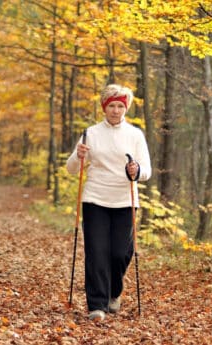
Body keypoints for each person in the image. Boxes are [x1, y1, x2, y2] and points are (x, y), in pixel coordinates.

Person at [66, 83, 151, 321]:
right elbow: (72, 169)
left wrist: (137, 169)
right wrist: (78, 155)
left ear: (126, 108)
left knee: (120, 253)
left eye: (120, 106)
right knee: (97, 252)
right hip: (95, 199)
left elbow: (146, 172)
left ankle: (114, 292)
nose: (116, 110)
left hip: (125, 200)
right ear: (104, 107)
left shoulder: (135, 135)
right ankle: (97, 305)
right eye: (111, 106)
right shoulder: (90, 133)